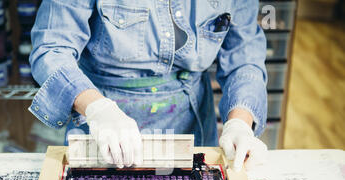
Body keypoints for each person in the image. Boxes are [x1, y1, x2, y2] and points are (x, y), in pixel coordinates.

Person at [28, 0, 268, 171]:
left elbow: (244, 57)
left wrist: (240, 124)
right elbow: (51, 49)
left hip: (191, 120)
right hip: (104, 122)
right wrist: (98, 110)